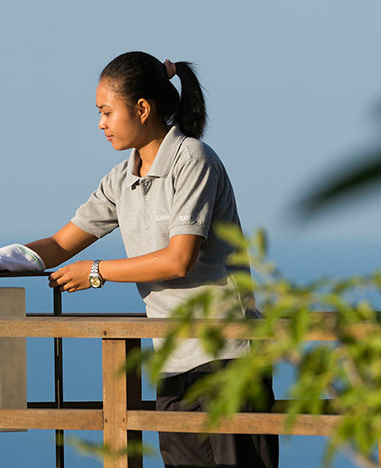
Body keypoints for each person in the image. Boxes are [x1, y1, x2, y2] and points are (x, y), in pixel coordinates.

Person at [25, 51, 278, 468]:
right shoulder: (121, 180)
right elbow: (59, 244)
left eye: (106, 112)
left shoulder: (192, 160)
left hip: (227, 357)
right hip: (174, 360)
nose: (100, 124)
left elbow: (180, 259)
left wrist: (96, 273)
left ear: (142, 109)